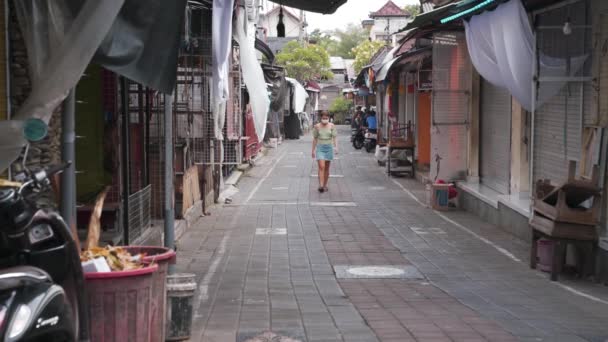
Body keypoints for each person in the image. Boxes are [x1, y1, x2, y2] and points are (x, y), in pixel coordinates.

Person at [312, 111, 338, 193]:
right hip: (320, 148)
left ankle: (325, 185)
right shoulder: (317, 126)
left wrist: (336, 147)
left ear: (329, 118)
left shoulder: (332, 126)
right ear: (320, 118)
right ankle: (321, 185)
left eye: (326, 118)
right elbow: (315, 139)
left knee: (326, 168)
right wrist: (312, 150)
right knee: (321, 166)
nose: (325, 120)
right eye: (323, 118)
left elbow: (335, 137)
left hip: (329, 148)